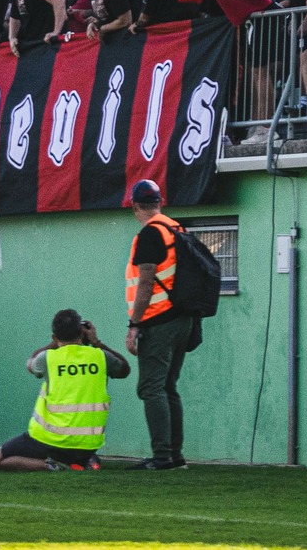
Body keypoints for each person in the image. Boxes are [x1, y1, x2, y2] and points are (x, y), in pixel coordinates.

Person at [0, 308, 130, 472]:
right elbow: (124, 369)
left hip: (50, 440)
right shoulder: (100, 356)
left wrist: (53, 344)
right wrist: (96, 342)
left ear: (55, 336)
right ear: (82, 332)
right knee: (78, 454)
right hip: (88, 443)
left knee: (0, 458)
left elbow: (30, 362)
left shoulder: (48, 358)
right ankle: (83, 461)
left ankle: (53, 465)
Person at [122, 179, 192, 471]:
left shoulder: (150, 233)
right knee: (168, 387)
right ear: (160, 203)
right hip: (183, 319)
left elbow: (146, 282)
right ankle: (175, 456)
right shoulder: (175, 229)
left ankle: (162, 456)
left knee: (152, 388)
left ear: (136, 206)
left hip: (159, 319)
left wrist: (134, 324)